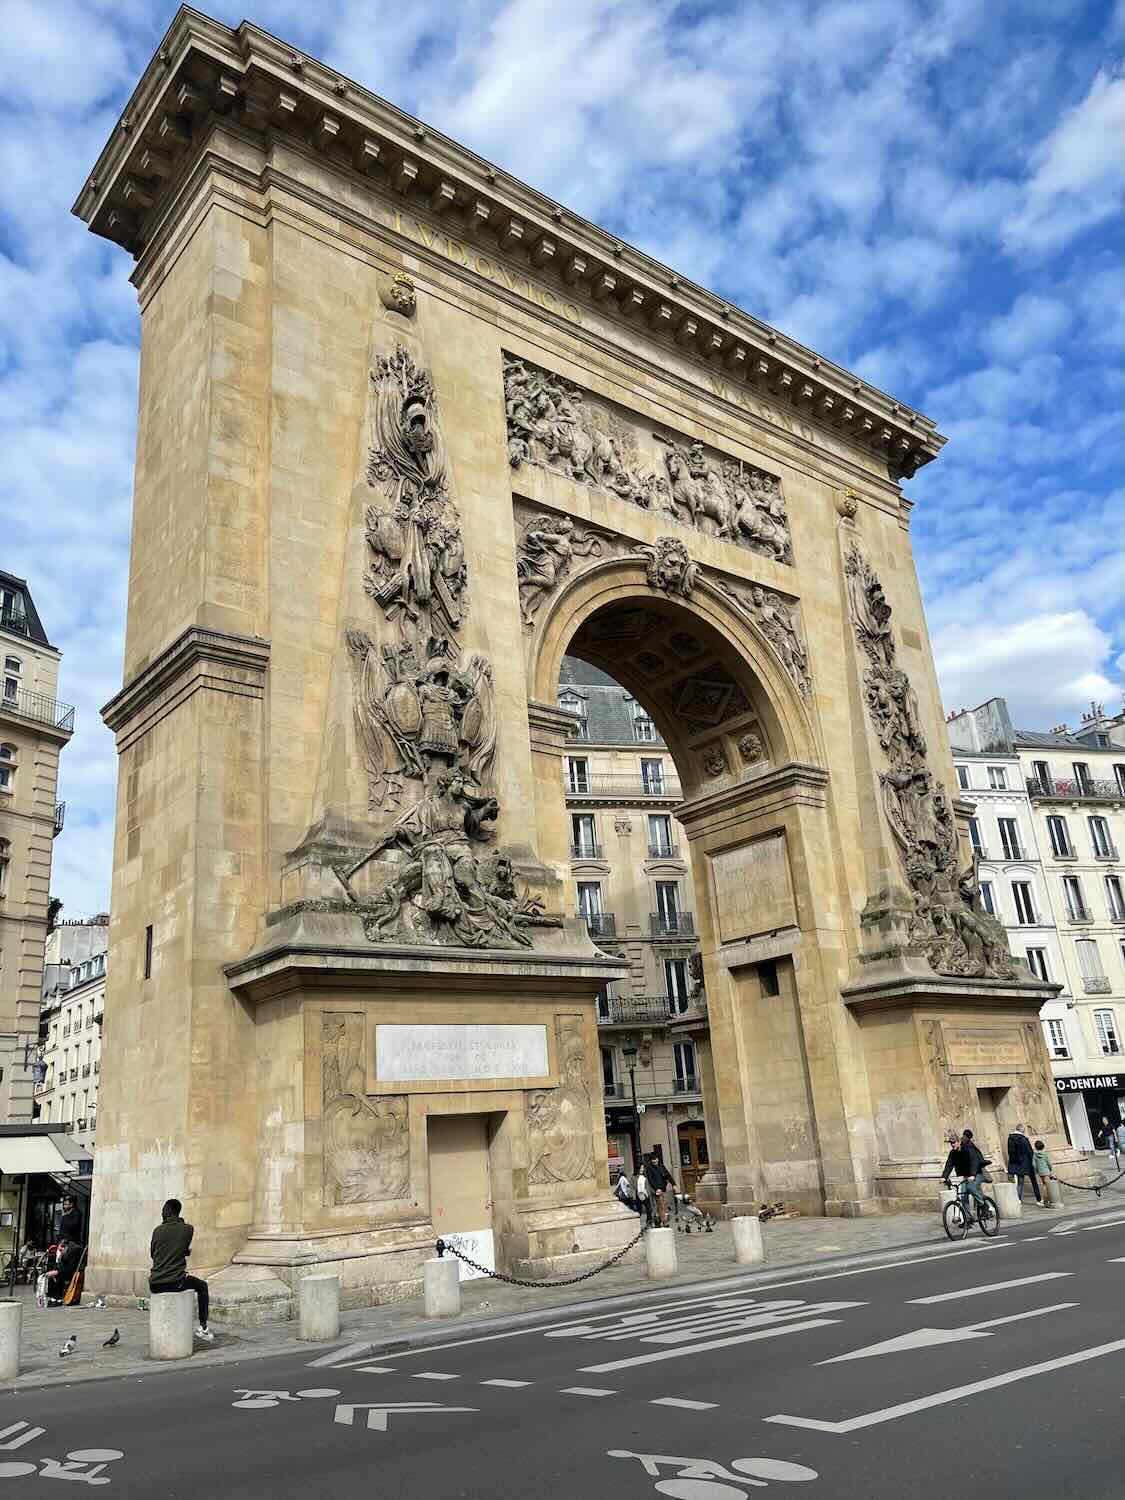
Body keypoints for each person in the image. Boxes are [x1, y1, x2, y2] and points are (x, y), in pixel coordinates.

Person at [149, 1199, 213, 1341]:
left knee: (195, 1283)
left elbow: (153, 1254)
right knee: (203, 1287)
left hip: (154, 1283)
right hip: (175, 1281)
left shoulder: (157, 1231)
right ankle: (203, 1326)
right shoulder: (188, 1229)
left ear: (168, 1211)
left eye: (163, 1210)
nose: (161, 1212)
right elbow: (181, 1248)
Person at [941, 1128, 992, 1217]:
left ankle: (983, 1205)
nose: (952, 1145)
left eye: (953, 1143)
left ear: (958, 1141)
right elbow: (949, 1164)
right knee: (963, 1196)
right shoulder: (953, 1153)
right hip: (967, 1176)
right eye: (951, 1143)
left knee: (970, 1187)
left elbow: (974, 1161)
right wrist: (944, 1177)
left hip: (978, 1173)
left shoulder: (967, 1148)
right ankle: (968, 1219)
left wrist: (972, 1175)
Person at [1006, 1122, 1041, 1204]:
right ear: (1022, 1130)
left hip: (1017, 1164)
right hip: (1027, 1163)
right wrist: (1033, 1162)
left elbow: (1010, 1152)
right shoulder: (1024, 1139)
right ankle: (1039, 1199)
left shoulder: (1010, 1138)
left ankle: (1018, 1200)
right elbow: (1030, 1152)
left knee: (1020, 1183)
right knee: (1034, 1181)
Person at [644, 1152, 675, 1228]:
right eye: (652, 1160)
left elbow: (667, 1175)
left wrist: (673, 1184)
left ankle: (657, 1220)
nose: (654, 1161)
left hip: (663, 1189)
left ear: (657, 1159)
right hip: (656, 1191)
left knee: (662, 1205)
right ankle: (664, 1222)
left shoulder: (661, 1166)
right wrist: (656, 1189)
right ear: (651, 1160)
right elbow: (651, 1180)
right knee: (661, 1205)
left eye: (655, 1159)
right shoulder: (649, 1168)